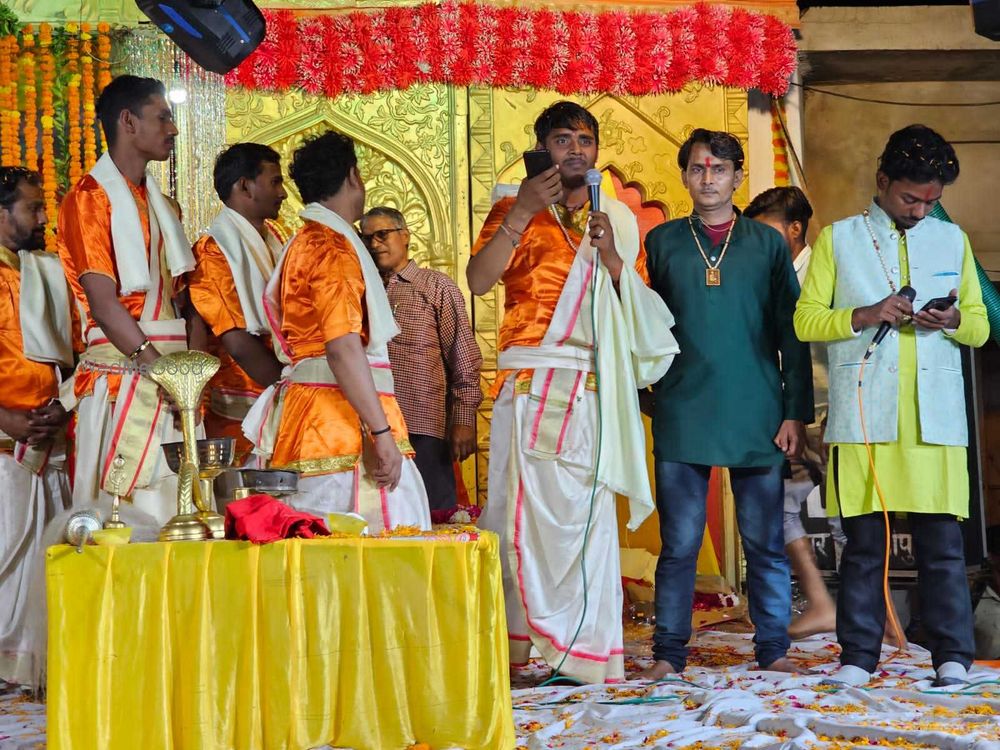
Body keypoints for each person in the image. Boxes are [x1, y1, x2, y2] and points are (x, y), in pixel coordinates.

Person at [467, 101, 678, 684]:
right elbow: (479, 280)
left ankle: (582, 654)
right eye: (563, 140)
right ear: (541, 148)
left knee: (586, 523)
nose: (576, 150)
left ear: (596, 152)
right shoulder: (514, 208)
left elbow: (637, 312)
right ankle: (527, 650)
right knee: (518, 520)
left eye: (585, 140)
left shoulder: (615, 219)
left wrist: (611, 256)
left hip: (589, 389)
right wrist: (523, 213)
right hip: (529, 384)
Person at [794, 124, 988, 687]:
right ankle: (857, 657)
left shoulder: (952, 241)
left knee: (943, 546)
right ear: (882, 181)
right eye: (910, 198)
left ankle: (952, 655)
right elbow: (806, 320)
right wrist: (865, 314)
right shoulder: (840, 239)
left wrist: (951, 320)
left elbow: (977, 327)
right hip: (864, 415)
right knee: (863, 548)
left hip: (935, 418)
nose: (921, 210)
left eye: (932, 201)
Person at [641, 129, 814, 679]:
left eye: (718, 169)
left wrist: (795, 412)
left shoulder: (765, 245)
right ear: (685, 176)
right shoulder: (664, 241)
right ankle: (668, 653)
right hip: (683, 409)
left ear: (739, 177)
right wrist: (647, 395)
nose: (707, 179)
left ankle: (773, 650)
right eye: (696, 169)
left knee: (763, 541)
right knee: (680, 543)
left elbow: (793, 332)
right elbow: (645, 328)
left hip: (756, 411)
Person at [242, 131, 431, 533]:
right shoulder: (333, 248)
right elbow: (344, 348)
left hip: (308, 416)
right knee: (375, 542)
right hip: (340, 425)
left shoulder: (301, 242)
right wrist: (380, 433)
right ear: (353, 178)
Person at [57, 75, 196, 525]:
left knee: (182, 513)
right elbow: (103, 303)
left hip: (172, 384)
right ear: (128, 121)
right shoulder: (88, 199)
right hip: (122, 384)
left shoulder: (164, 206)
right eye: (163, 117)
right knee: (125, 521)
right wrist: (163, 370)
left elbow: (183, 299)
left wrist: (186, 377)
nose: (172, 129)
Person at [745, 186, 843, 639]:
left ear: (795, 229)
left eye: (766, 233)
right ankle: (821, 603)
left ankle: (880, 619)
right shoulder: (767, 277)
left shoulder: (824, 274)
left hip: (829, 413)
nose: (758, 244)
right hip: (785, 418)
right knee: (779, 508)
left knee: (847, 518)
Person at [0, 168, 74, 689]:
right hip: (6, 439)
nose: (43, 217)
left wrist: (61, 407)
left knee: (37, 555)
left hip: (46, 435)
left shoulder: (38, 272)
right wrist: (7, 418)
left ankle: (20, 668)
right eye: (32, 208)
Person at [360, 206, 482, 510]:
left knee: (433, 517)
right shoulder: (359, 291)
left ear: (405, 236)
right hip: (371, 431)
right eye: (366, 239)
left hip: (423, 426)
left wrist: (464, 420)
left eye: (382, 234)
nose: (375, 244)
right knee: (381, 519)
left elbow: (463, 357)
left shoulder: (436, 286)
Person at [188, 143, 286, 464]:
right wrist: (291, 386)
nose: (283, 193)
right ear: (244, 185)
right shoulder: (213, 251)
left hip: (281, 396)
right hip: (237, 415)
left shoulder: (277, 239)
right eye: (275, 181)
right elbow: (235, 340)